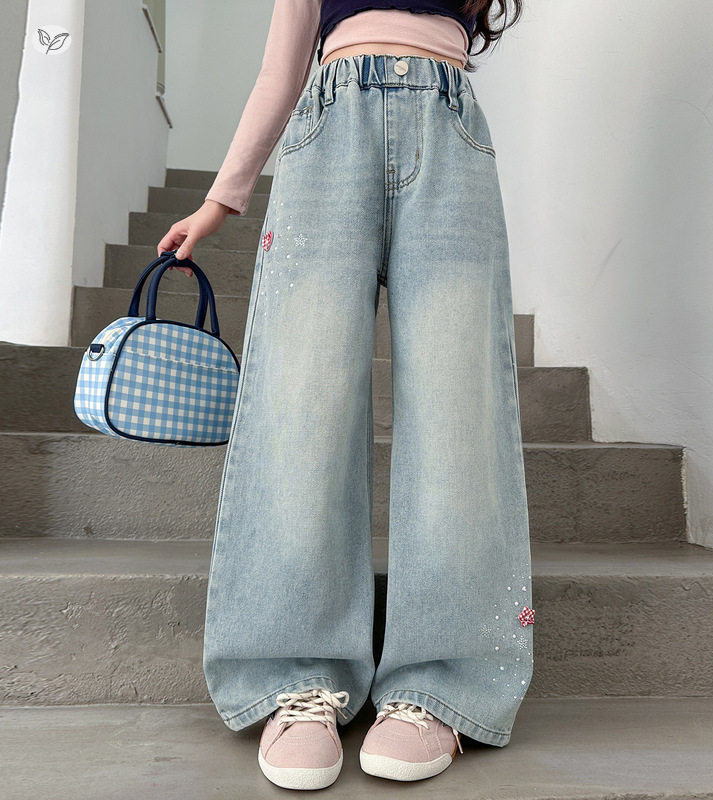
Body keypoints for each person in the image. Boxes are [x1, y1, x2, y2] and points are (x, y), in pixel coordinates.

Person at [157, 0, 533, 791]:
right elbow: (281, 68)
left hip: (451, 129)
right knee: (303, 406)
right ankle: (297, 675)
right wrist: (221, 199)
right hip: (330, 129)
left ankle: (440, 685)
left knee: (458, 410)